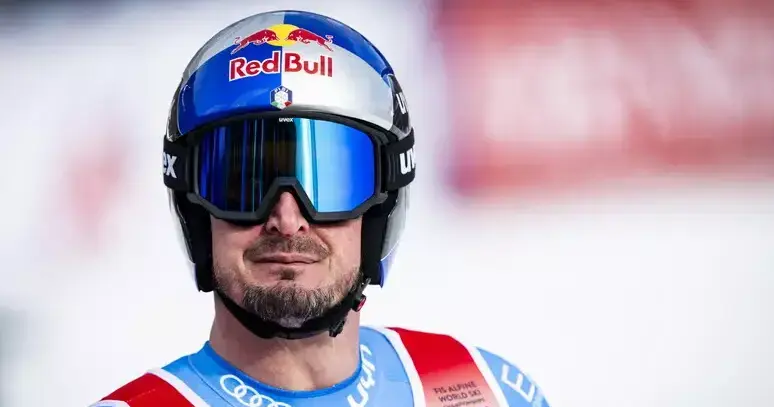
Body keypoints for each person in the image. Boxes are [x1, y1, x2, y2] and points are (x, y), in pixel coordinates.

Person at [91, 10, 551, 407]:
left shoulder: (485, 390)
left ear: (383, 207)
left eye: (328, 182)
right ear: (194, 212)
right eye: (243, 183)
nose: (287, 220)